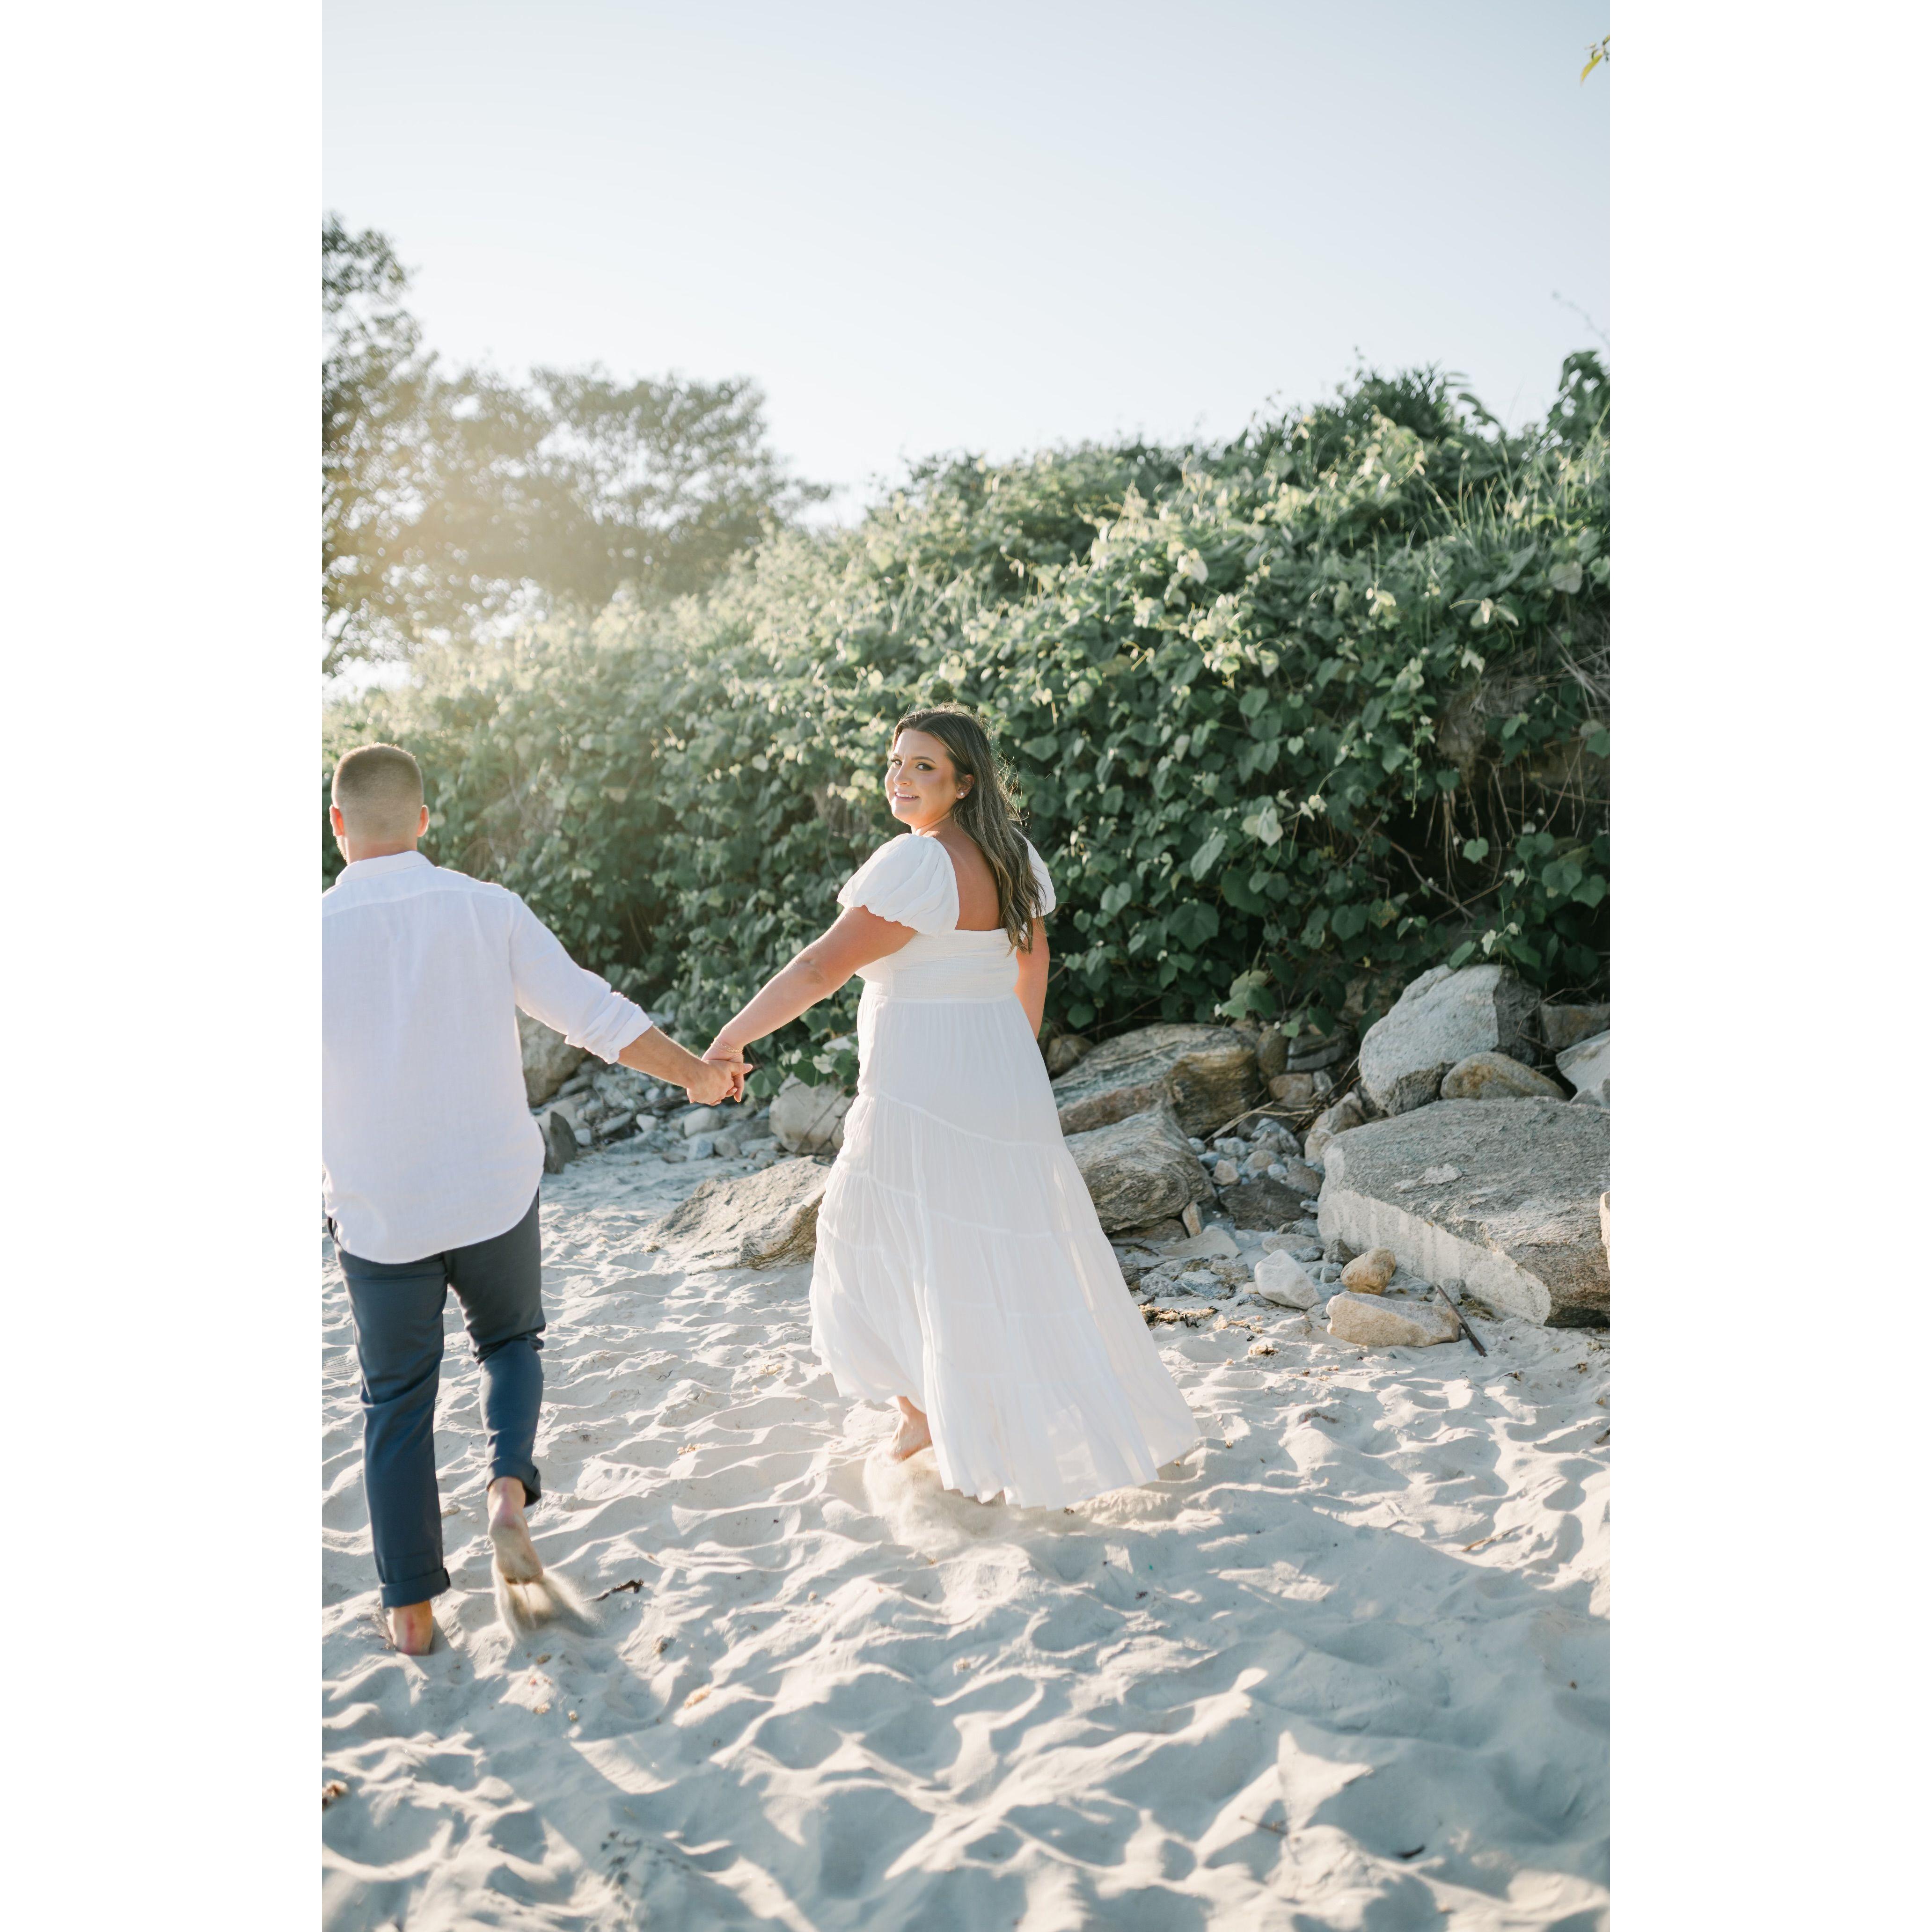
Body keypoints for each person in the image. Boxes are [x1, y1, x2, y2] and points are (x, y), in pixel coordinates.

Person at [703, 706, 1198, 1508]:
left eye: (924, 766)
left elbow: (818, 969)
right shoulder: (1012, 855)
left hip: (920, 1081)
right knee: (983, 1241)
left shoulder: (916, 866)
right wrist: (1014, 1057)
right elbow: (1031, 965)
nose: (901, 778)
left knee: (871, 1237)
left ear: (964, 781)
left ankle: (926, 1409)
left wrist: (729, 1039)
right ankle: (945, 1409)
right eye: (896, 763)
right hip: (999, 1069)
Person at [323, 743, 744, 1654]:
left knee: (395, 1397)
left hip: (381, 1207)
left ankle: (410, 1611)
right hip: (491, 1189)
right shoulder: (487, 909)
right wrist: (699, 1076)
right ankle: (507, 1492)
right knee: (510, 1342)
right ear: (426, 821)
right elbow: (595, 1015)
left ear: (338, 825)